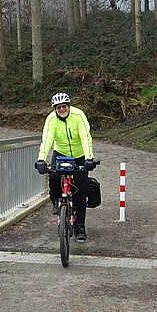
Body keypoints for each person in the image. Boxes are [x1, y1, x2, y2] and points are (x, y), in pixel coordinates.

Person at [35, 92, 97, 241]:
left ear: (68, 106)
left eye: (64, 106)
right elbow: (47, 139)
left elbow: (85, 137)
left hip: (79, 154)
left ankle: (80, 226)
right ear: (54, 108)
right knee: (54, 176)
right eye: (58, 107)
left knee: (80, 191)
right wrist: (41, 160)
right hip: (61, 153)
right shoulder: (51, 120)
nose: (61, 109)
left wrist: (89, 158)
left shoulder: (78, 115)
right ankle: (56, 201)